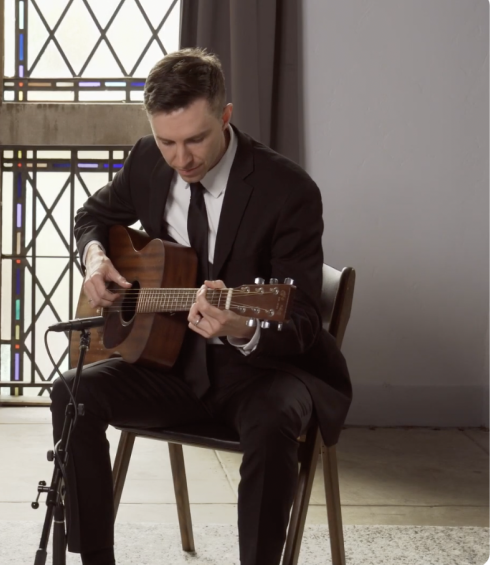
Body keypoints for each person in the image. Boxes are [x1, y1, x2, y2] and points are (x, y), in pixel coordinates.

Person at [53, 48, 351, 565]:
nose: (181, 158)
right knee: (72, 392)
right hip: (173, 366)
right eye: (167, 141)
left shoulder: (287, 191)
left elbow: (302, 318)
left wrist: (241, 327)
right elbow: (91, 216)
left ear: (225, 116)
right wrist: (94, 257)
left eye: (196, 139)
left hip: (263, 372)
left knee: (274, 421)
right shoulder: (147, 161)